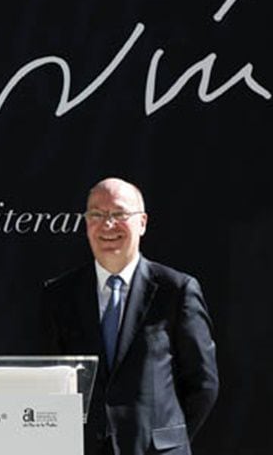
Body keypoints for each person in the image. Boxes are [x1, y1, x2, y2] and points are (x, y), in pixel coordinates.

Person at [43, 177, 218, 455]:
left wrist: (169, 439)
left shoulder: (176, 291)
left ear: (143, 222)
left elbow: (203, 383)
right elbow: (49, 381)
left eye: (119, 214)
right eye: (97, 215)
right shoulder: (59, 294)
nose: (107, 225)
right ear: (86, 224)